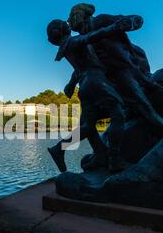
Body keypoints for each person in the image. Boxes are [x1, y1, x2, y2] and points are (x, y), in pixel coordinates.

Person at [67, 3, 163, 135]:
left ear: (80, 15)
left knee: (141, 102)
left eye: (71, 16)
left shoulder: (100, 20)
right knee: (87, 118)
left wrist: (131, 22)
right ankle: (102, 150)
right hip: (109, 77)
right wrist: (71, 84)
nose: (69, 21)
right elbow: (85, 65)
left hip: (124, 68)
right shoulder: (82, 38)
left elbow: (132, 19)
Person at [46, 18, 132, 173]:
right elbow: (92, 36)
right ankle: (115, 159)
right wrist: (114, 27)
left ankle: (62, 149)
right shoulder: (73, 42)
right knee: (119, 114)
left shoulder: (68, 47)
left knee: (88, 125)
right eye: (65, 24)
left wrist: (71, 85)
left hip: (85, 85)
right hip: (96, 81)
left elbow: (78, 69)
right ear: (63, 30)